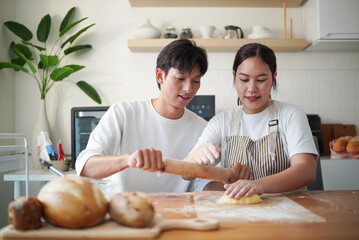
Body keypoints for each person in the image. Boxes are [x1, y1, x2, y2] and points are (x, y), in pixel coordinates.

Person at [184, 43, 318, 199]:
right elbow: (187, 175)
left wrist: (259, 185)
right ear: (234, 76)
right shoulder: (222, 122)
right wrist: (199, 160)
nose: (252, 88)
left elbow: (306, 170)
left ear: (274, 78)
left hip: (291, 211)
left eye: (261, 80)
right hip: (241, 215)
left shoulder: (291, 115)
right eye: (244, 79)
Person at [75, 39, 209, 193]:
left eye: (196, 81)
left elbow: (204, 184)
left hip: (178, 214)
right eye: (180, 79)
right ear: (160, 76)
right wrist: (128, 160)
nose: (188, 89)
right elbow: (85, 167)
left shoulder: (202, 128)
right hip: (126, 211)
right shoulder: (123, 113)